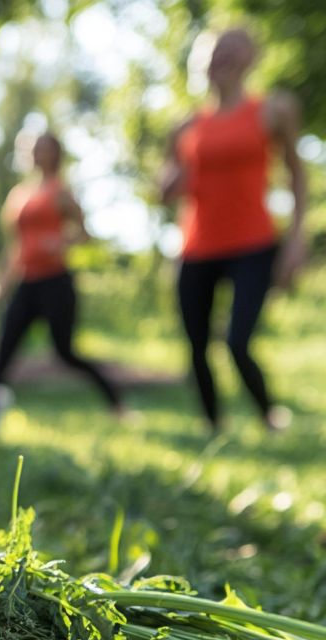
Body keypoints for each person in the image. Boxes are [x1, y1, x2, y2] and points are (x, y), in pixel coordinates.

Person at [160, 27, 308, 431]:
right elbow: (165, 190)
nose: (221, 56)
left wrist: (297, 238)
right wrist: (170, 181)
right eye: (214, 50)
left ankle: (267, 414)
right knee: (196, 346)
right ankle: (213, 425)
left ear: (249, 57)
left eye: (230, 48)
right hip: (196, 245)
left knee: (237, 341)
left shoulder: (271, 110)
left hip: (253, 242)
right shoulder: (186, 125)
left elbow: (296, 175)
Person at [0, 131, 123, 419]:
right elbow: (16, 244)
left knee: (65, 352)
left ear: (55, 154)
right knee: (5, 346)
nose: (38, 154)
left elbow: (84, 234)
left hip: (55, 281)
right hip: (27, 281)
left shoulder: (61, 191)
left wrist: (62, 242)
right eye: (34, 149)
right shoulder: (19, 195)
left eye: (44, 149)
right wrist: (2, 279)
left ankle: (116, 402)